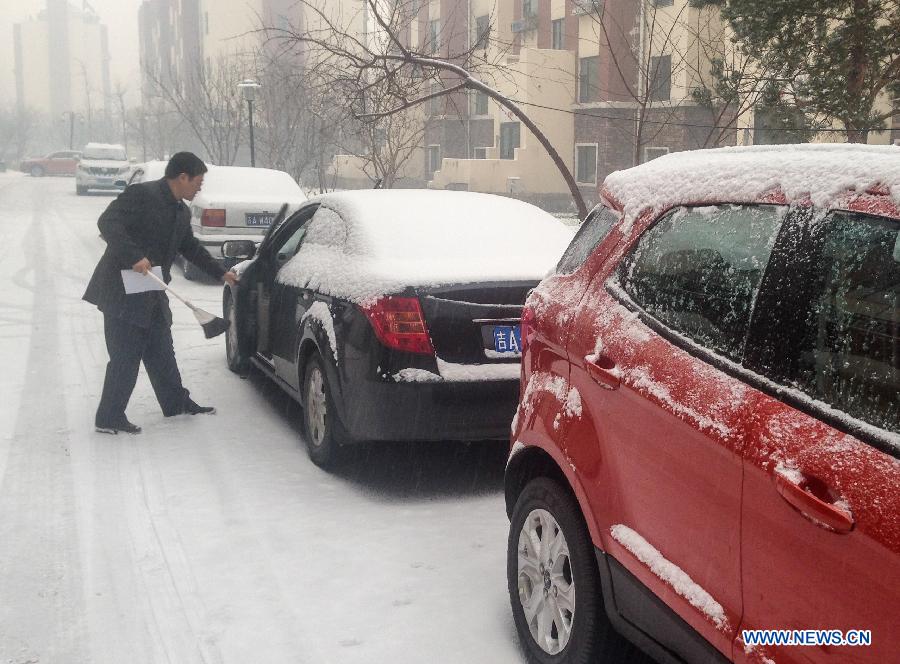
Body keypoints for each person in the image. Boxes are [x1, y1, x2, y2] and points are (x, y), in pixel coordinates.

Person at [83, 152, 238, 434]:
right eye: (198, 181)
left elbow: (190, 247)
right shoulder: (141, 195)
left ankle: (175, 402)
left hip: (151, 288)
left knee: (161, 349)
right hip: (121, 290)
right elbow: (107, 223)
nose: (200, 187)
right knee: (125, 356)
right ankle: (108, 417)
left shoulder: (180, 211)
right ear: (182, 177)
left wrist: (221, 272)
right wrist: (133, 255)